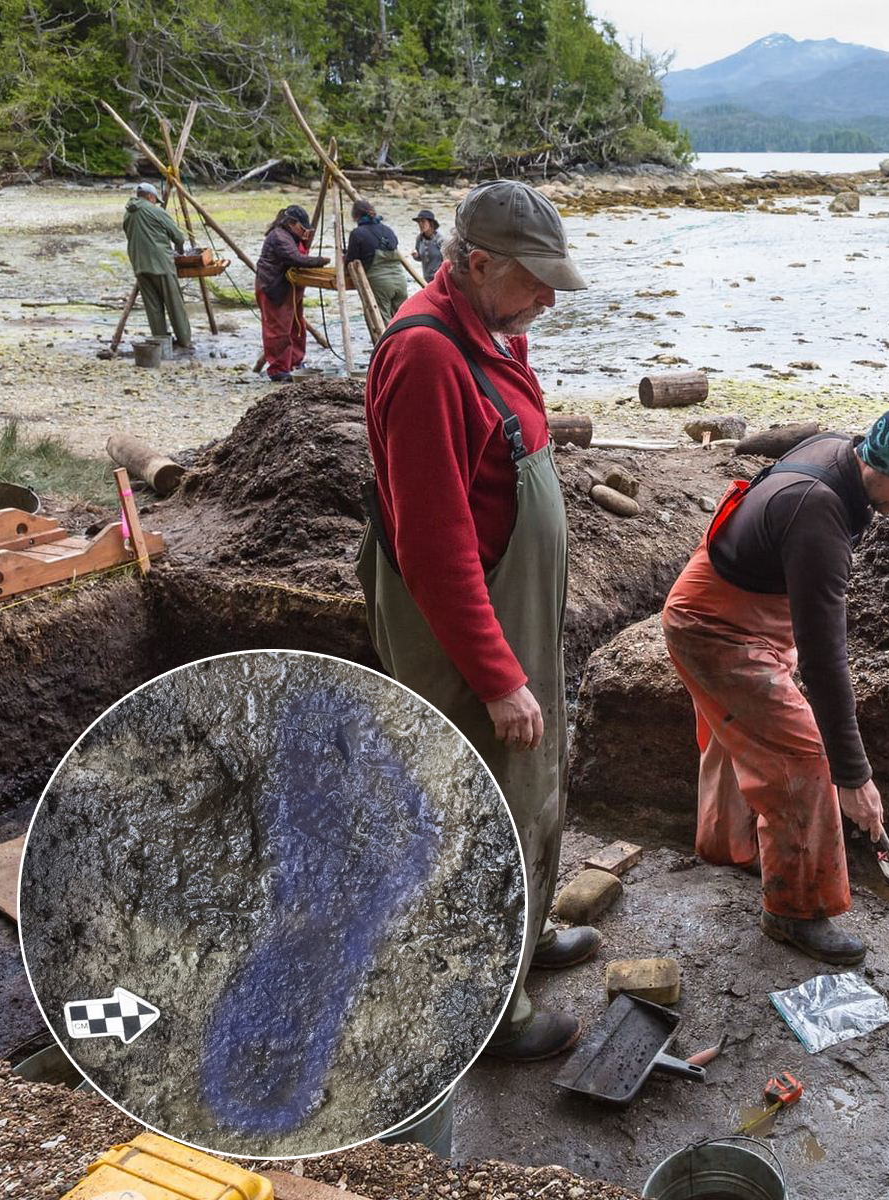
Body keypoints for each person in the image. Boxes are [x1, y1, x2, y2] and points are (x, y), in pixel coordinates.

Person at [358, 179, 596, 1062]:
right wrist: (497, 676)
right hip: (463, 631)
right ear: (477, 261)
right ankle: (488, 1007)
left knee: (531, 785)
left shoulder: (494, 332)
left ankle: (525, 941)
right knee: (471, 812)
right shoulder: (424, 357)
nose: (547, 297)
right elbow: (435, 546)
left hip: (517, 608)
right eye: (535, 279)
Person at [661, 401, 889, 966]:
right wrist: (853, 777)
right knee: (801, 758)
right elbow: (825, 661)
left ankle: (728, 846)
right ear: (878, 465)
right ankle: (795, 910)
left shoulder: (843, 454)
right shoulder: (817, 512)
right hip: (715, 628)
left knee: (740, 733)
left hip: (733, 609)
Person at [254, 205, 328, 382]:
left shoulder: (292, 235)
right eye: (302, 228)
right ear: (292, 223)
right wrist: (321, 261)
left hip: (290, 288)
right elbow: (295, 258)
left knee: (296, 326)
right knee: (278, 330)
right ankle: (278, 369)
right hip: (273, 288)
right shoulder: (279, 236)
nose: (305, 232)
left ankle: (295, 362)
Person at [122, 182, 191, 353]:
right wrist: (179, 252)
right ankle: (185, 341)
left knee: (153, 306)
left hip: (139, 264)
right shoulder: (156, 211)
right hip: (161, 264)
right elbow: (178, 237)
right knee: (174, 304)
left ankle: (161, 343)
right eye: (155, 200)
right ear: (151, 197)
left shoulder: (127, 214)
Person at [346, 199, 413, 322]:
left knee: (383, 324)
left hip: (380, 284)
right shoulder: (388, 230)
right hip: (400, 281)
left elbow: (351, 261)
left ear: (355, 216)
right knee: (403, 320)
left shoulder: (357, 233)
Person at [413, 209, 444, 281]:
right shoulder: (419, 239)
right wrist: (416, 256)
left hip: (440, 279)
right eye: (419, 222)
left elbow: (447, 262)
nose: (420, 224)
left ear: (431, 223)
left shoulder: (440, 239)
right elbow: (420, 258)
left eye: (423, 221)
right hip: (426, 279)